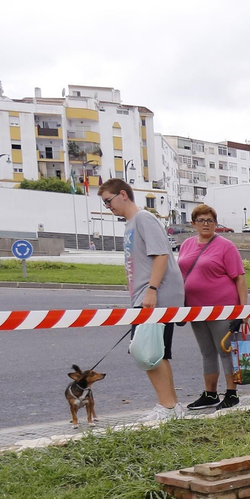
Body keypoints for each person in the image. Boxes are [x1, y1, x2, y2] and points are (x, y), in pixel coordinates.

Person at [100, 179, 184, 422]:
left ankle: (167, 406)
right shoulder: (130, 224)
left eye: (108, 200)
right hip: (146, 294)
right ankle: (172, 407)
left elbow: (160, 255)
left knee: (146, 352)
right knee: (158, 352)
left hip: (155, 295)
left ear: (123, 195)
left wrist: (152, 290)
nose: (107, 206)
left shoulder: (143, 219)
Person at [178, 204, 247, 411]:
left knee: (225, 351)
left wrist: (244, 310)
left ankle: (231, 393)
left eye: (210, 220)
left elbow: (240, 278)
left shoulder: (226, 246)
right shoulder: (187, 244)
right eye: (201, 220)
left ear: (216, 224)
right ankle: (210, 394)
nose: (205, 224)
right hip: (196, 308)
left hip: (222, 308)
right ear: (193, 223)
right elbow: (180, 274)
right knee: (207, 352)